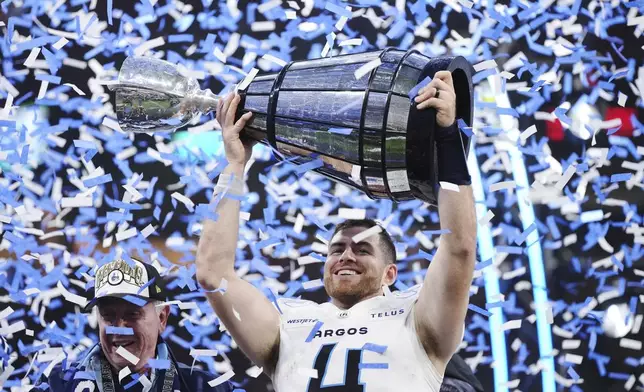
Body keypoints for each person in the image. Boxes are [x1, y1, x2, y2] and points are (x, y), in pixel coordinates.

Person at [196, 70, 476, 391]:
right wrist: (234, 163)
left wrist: (448, 136)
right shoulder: (288, 324)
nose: (346, 255)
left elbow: (460, 248)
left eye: (362, 249)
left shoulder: (416, 318)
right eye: (336, 248)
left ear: (390, 274)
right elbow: (213, 274)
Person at [33, 257, 234, 392]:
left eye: (132, 314)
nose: (119, 327)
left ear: (162, 318)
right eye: (108, 315)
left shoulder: (208, 387)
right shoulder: (56, 385)